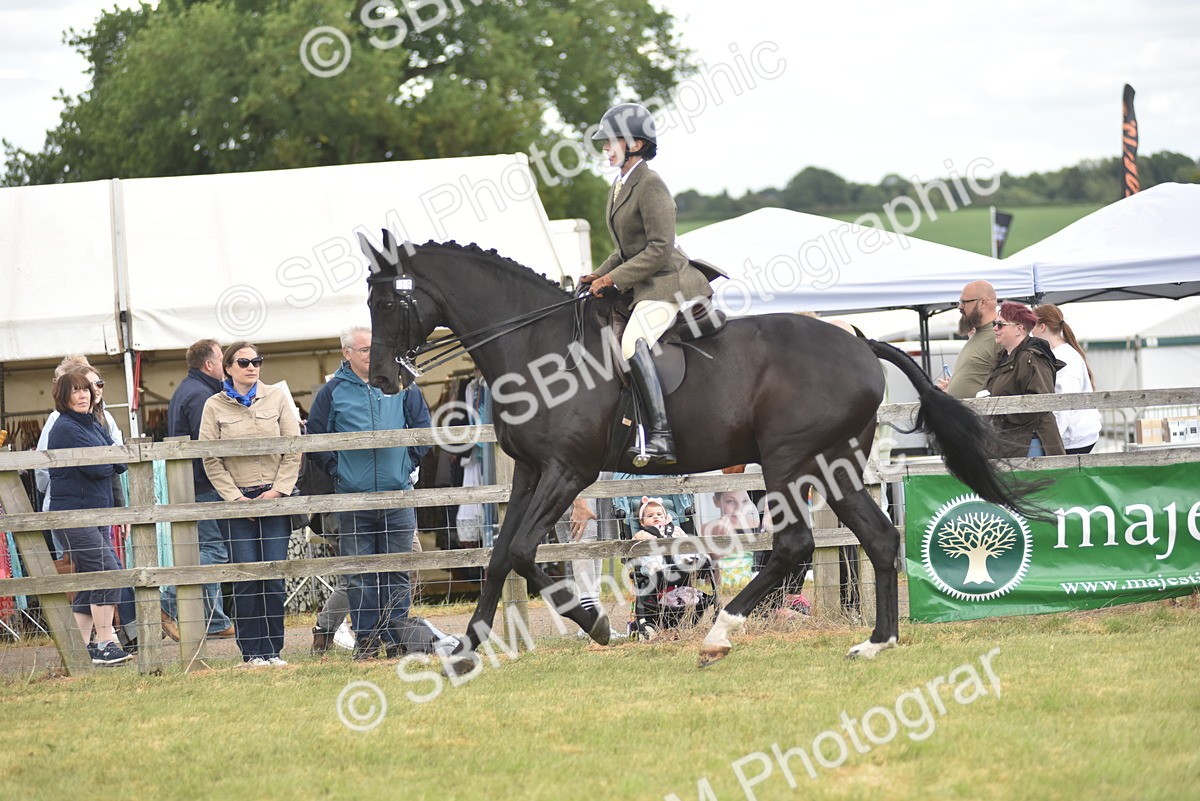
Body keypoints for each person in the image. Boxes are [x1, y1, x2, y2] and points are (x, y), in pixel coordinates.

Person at [578, 103, 715, 465]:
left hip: (668, 283)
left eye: (612, 142)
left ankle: (663, 437)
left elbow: (658, 249)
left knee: (631, 344)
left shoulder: (650, 184)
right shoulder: (621, 184)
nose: (606, 149)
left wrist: (612, 279)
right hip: (644, 282)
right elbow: (626, 249)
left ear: (635, 144)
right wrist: (598, 273)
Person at [307, 326, 432, 660]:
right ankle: (366, 642)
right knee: (360, 574)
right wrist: (340, 471)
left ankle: (398, 639)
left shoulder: (402, 384)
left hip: (396, 495)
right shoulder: (331, 392)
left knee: (397, 571)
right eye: (365, 350)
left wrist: (406, 463)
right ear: (347, 353)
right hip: (353, 498)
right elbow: (315, 440)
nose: (373, 355)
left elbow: (423, 430)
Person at [199, 342, 301, 667]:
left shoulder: (277, 397)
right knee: (245, 578)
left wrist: (279, 491)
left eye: (256, 361)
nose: (251, 366)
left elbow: (294, 446)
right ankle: (251, 652)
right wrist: (235, 498)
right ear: (228, 367)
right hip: (237, 501)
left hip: (274, 498)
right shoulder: (213, 406)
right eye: (243, 362)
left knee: (273, 576)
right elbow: (210, 457)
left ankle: (273, 649)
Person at [47, 366, 132, 665]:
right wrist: (110, 458)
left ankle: (80, 647)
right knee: (108, 570)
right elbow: (98, 467)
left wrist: (109, 458)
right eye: (76, 391)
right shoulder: (67, 427)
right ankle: (105, 641)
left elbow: (118, 462)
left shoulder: (93, 423)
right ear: (63, 395)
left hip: (96, 514)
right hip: (73, 515)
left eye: (87, 389)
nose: (83, 395)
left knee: (91, 577)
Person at [160, 339, 235, 640]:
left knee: (206, 549)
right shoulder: (204, 395)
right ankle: (165, 603)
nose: (227, 366)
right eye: (222, 359)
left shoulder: (185, 390)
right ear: (209, 364)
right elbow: (209, 444)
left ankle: (216, 621)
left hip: (188, 481)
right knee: (216, 550)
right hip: (203, 483)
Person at [983, 302, 1066, 458]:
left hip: (1032, 443)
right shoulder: (1003, 358)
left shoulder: (1033, 358)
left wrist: (1000, 413)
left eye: (1000, 325)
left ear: (1019, 329)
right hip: (1010, 442)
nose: (994, 328)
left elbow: (1040, 403)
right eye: (995, 324)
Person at [1034, 304, 1103, 454]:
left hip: (1075, 437)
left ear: (1042, 327)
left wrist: (1050, 441)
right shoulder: (1060, 354)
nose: (1031, 332)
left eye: (1032, 325)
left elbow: (1064, 404)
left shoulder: (1065, 358)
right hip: (1074, 434)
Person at [935, 280, 1004, 399]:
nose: (960, 307)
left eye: (964, 302)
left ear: (983, 303)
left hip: (982, 415)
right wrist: (950, 389)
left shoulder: (1000, 336)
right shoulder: (978, 334)